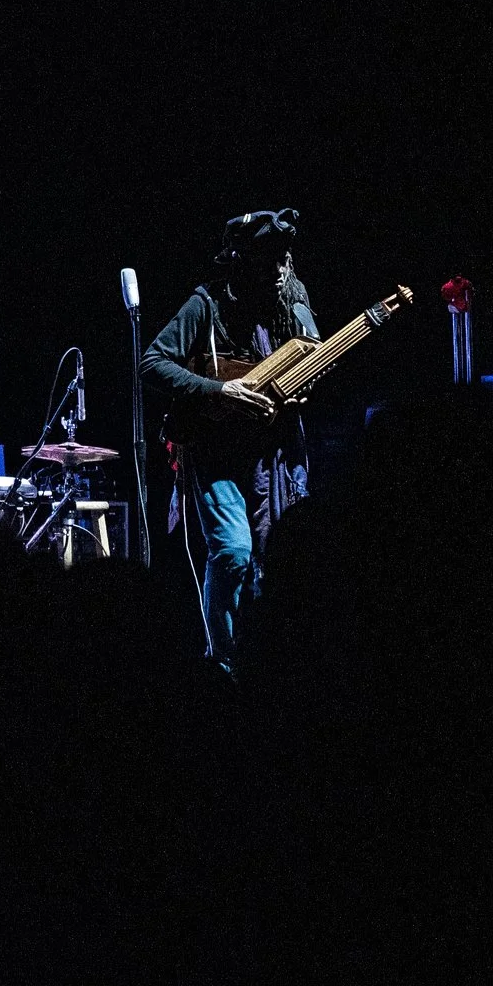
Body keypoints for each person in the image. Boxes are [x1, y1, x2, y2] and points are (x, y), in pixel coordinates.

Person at [138, 208, 319, 671]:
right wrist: (220, 390)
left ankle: (264, 659)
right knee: (234, 552)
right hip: (215, 452)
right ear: (243, 260)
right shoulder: (207, 305)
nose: (279, 270)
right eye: (268, 259)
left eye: (285, 259)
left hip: (272, 455)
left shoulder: (294, 305)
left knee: (274, 560)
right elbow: (153, 362)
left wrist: (305, 385)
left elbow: (317, 364)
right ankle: (221, 660)